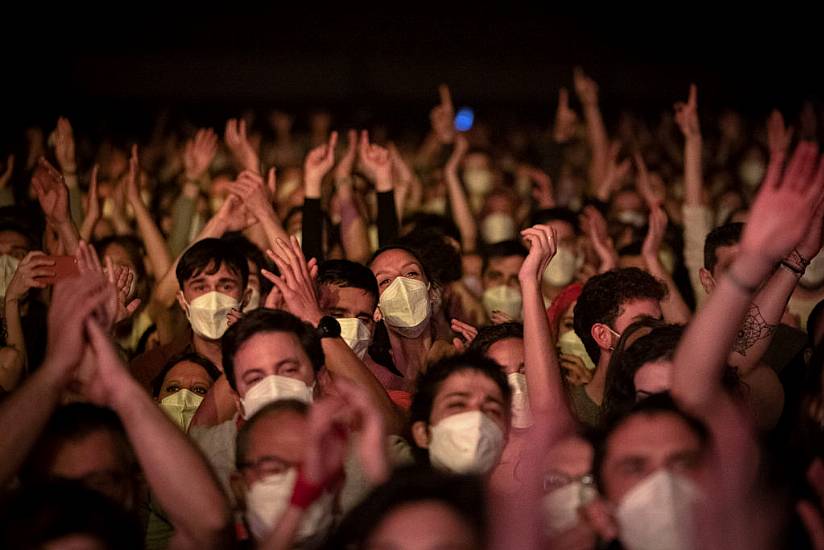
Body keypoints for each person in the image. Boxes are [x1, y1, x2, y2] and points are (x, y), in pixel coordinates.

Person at [130, 237, 250, 388]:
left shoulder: (263, 362)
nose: (213, 298)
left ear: (246, 297)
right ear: (182, 299)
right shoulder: (151, 367)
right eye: (200, 287)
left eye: (226, 286)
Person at [571, 267, 666, 427]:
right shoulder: (571, 413)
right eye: (641, 323)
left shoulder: (666, 405)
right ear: (602, 335)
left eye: (659, 323)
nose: (655, 332)